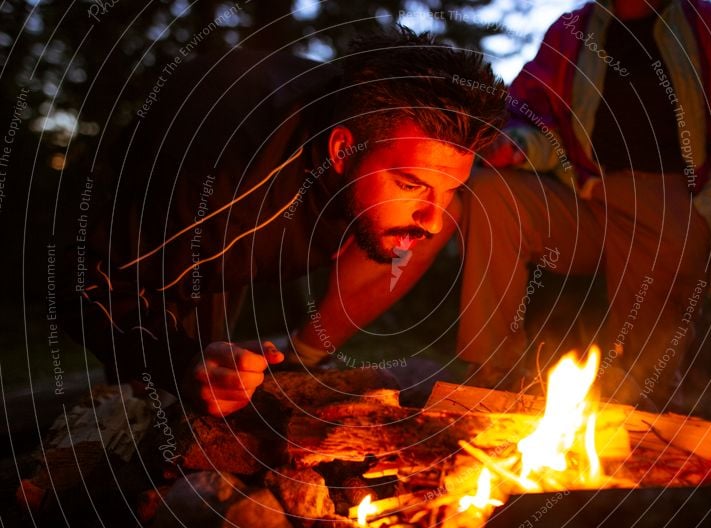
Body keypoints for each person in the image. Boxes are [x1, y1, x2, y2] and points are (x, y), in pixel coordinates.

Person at [61, 28, 507, 417]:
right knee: (180, 394)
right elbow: (80, 282)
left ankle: (305, 358)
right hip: (179, 216)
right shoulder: (221, 192)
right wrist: (179, 362)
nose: (431, 220)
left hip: (280, 188)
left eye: (447, 187)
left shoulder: (372, 119)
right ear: (341, 150)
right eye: (411, 185)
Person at [457, 0, 711, 408]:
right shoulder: (572, 29)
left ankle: (639, 410)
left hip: (667, 201)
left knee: (645, 373)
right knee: (493, 194)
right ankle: (488, 377)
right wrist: (515, 143)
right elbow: (529, 109)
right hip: (584, 190)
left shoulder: (703, 25)